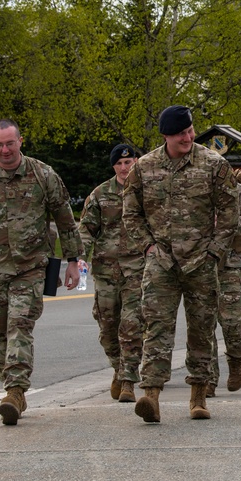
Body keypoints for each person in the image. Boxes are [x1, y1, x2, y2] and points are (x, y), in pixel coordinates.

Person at [0, 118, 84, 426]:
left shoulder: (42, 174)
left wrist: (73, 261)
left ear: (20, 141)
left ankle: (15, 391)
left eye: (10, 143)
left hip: (30, 267)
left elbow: (65, 219)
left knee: (19, 325)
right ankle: (11, 386)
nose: (5, 150)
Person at [121, 105, 238, 423]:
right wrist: (147, 246)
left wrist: (215, 251)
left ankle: (199, 395)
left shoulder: (214, 164)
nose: (187, 137)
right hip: (161, 261)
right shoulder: (143, 168)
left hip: (201, 260)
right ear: (165, 137)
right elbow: (131, 213)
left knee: (201, 330)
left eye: (189, 131)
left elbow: (229, 211)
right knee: (156, 329)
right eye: (180, 134)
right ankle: (151, 396)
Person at [79, 143, 144, 403]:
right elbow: (86, 229)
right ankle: (118, 367)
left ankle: (128, 379)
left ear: (136, 162)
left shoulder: (147, 191)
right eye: (119, 163)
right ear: (114, 166)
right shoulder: (101, 194)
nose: (124, 167)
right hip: (106, 271)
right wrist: (80, 256)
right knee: (108, 328)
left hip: (137, 269)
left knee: (132, 324)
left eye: (129, 162)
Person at [208, 180, 241, 396]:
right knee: (202, 324)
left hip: (231, 263)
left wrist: (225, 223)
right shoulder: (193, 188)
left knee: (231, 322)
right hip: (201, 263)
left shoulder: (239, 190)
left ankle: (236, 360)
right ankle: (207, 379)